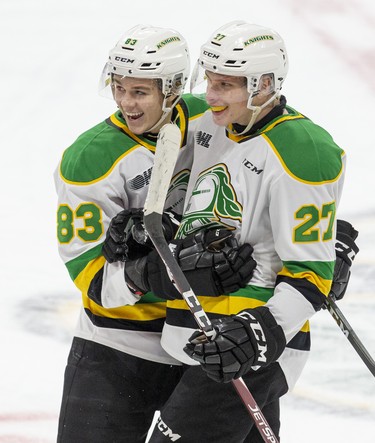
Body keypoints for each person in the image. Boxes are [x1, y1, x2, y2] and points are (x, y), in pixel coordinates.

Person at [139, 20, 355, 442]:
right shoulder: (207, 120)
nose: (211, 95)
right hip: (201, 332)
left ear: (265, 84)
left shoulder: (302, 150)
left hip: (249, 347)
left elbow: (311, 276)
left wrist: (259, 334)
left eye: (226, 85)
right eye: (211, 81)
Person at [54, 24, 228, 443]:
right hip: (116, 348)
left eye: (140, 92)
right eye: (119, 88)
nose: (125, 104)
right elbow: (93, 279)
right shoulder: (90, 159)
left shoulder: (214, 119)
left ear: (172, 90)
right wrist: (147, 273)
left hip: (198, 342)